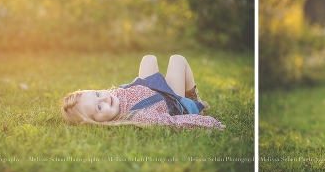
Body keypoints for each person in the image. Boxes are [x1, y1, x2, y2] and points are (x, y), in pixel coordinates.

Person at [61, 55, 225, 130]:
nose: (104, 98)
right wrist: (212, 124)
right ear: (96, 122)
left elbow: (109, 95)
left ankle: (189, 98)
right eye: (98, 107)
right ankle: (192, 100)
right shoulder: (138, 117)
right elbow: (172, 122)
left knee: (148, 59)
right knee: (178, 60)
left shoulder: (112, 97)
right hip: (171, 100)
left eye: (97, 94)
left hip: (152, 89)